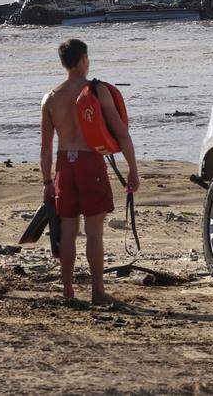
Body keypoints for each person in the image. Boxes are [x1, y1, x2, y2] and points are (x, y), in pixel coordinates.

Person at [40, 39, 140, 304]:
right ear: (84, 59)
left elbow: (45, 148)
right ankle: (97, 291)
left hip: (64, 165)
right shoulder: (96, 91)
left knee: (68, 230)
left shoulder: (50, 98)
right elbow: (122, 134)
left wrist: (47, 181)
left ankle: (68, 291)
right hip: (89, 162)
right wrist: (133, 169)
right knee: (94, 231)